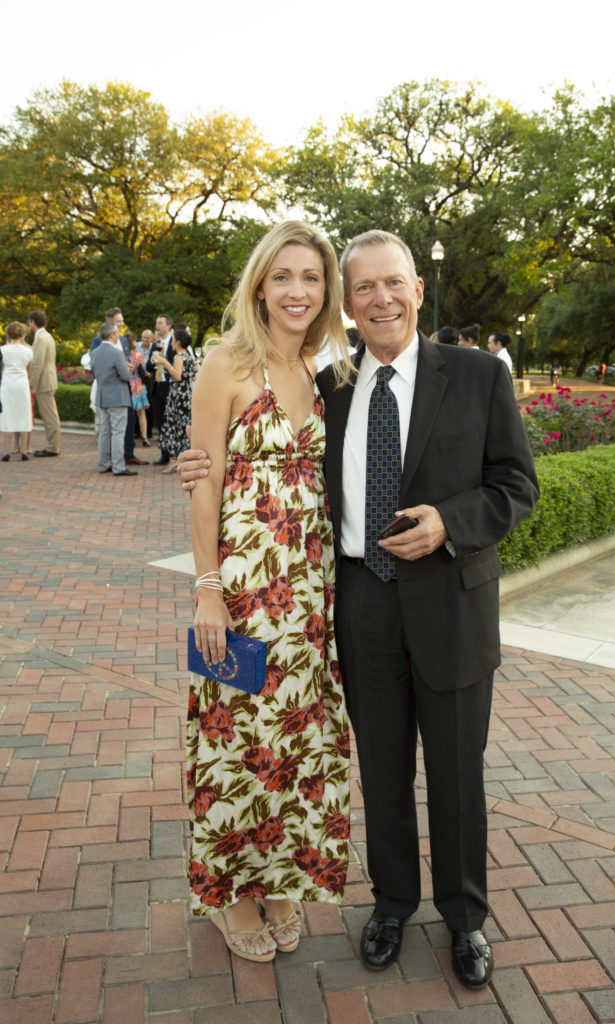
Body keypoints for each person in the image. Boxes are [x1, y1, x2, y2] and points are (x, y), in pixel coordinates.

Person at [179, 229, 539, 988]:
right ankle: (392, 903)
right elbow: (239, 461)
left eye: (392, 283)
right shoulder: (330, 381)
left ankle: (464, 919)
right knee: (375, 765)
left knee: (454, 772)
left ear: (415, 288)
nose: (379, 298)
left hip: (450, 604)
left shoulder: (475, 376)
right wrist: (197, 469)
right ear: (349, 301)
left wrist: (451, 522)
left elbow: (515, 486)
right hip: (351, 599)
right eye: (362, 287)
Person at [186, 221, 352, 964]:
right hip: (243, 597)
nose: (297, 290)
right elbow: (205, 480)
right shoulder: (226, 365)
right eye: (283, 276)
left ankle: (281, 877)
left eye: (311, 278)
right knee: (231, 742)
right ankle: (228, 895)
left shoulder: (324, 371)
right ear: (260, 283)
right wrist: (206, 592)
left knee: (296, 744)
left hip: (311, 600)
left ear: (326, 292)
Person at [89, 322, 136, 476]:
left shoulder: (94, 353)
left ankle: (103, 464)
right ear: (111, 335)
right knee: (117, 432)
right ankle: (118, 466)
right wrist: (130, 370)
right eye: (116, 333)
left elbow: (94, 374)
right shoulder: (117, 353)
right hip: (117, 396)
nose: (118, 336)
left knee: (104, 432)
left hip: (103, 396)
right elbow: (125, 376)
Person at [153, 329, 196, 472]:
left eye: (172, 340)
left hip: (179, 396)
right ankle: (183, 459)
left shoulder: (179, 357)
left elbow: (177, 376)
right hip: (187, 395)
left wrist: (164, 362)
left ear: (177, 342)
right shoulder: (189, 356)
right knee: (184, 426)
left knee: (176, 426)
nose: (171, 343)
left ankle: (174, 461)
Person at [28, 310, 60, 457]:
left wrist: (31, 383)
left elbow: (38, 363)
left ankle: (52, 448)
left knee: (50, 417)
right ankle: (52, 446)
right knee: (49, 416)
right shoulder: (45, 336)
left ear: (33, 321)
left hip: (44, 382)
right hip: (47, 380)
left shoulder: (41, 338)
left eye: (29, 322)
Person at [0, 322, 33, 461]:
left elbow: (1, 368)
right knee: (24, 413)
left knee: (7, 414)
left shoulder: (2, 350)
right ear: (22, 334)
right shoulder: (28, 351)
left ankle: (7, 450)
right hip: (22, 383)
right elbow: (29, 372)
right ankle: (24, 450)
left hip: (7, 383)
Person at [146, 314, 175, 465]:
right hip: (157, 387)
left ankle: (175, 455)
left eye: (160, 323)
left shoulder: (174, 343)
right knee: (161, 422)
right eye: (156, 323)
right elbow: (148, 368)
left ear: (168, 326)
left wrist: (165, 361)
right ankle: (164, 455)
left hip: (170, 387)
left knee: (172, 421)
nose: (157, 326)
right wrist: (152, 360)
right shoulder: (154, 344)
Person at [128, 340, 151, 447]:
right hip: (138, 385)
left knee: (128, 414)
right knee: (142, 414)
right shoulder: (139, 355)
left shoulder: (124, 356)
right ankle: (145, 437)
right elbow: (146, 370)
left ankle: (129, 437)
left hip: (128, 384)